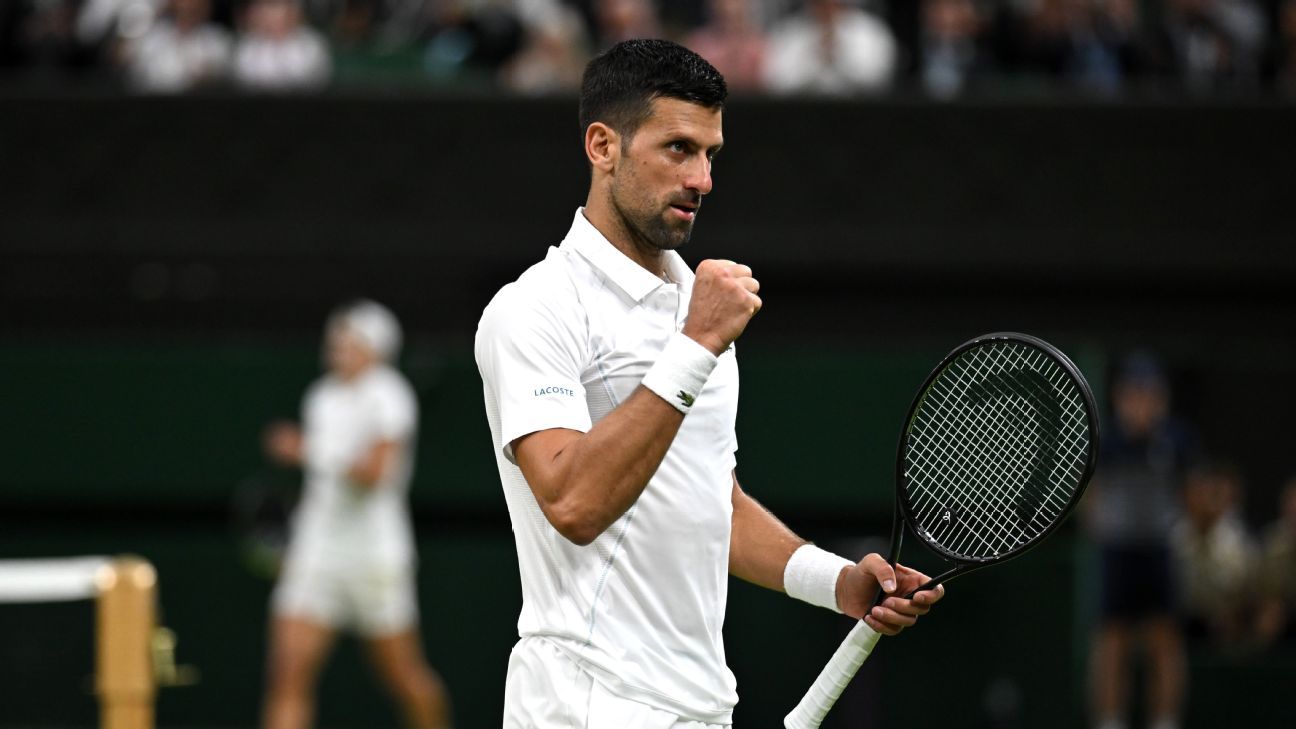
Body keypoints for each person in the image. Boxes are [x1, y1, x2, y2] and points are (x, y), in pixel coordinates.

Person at [474, 39, 944, 727]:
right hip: (582, 703)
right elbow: (572, 502)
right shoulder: (534, 308)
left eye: (710, 154)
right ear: (603, 147)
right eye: (677, 149)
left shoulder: (698, 304)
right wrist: (695, 345)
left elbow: (708, 501)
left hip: (699, 705)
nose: (702, 179)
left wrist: (835, 582)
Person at [260, 300, 450, 729]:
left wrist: (307, 450)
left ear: (375, 349)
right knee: (287, 674)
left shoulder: (390, 394)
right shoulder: (321, 396)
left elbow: (375, 474)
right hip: (317, 555)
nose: (337, 347)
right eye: (336, 338)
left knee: (404, 678)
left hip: (374, 561)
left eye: (350, 340)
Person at [1082, 352, 1195, 729]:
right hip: (1117, 550)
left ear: (1162, 398)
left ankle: (1164, 721)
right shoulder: (1106, 439)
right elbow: (1089, 497)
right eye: (1135, 393)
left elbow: (1192, 491)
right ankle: (1110, 721)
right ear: (1120, 397)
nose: (1143, 402)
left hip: (1161, 549)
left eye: (1150, 394)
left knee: (1163, 638)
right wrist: (1098, 525)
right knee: (1113, 640)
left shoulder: (1177, 439)